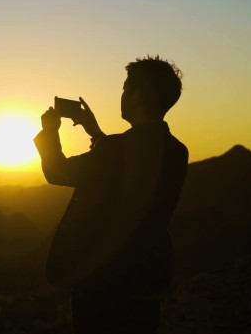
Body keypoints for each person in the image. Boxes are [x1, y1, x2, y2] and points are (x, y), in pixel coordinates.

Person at [34, 55, 188, 333]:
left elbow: (59, 172)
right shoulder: (177, 151)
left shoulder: (115, 150)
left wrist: (49, 133)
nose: (122, 94)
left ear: (137, 94)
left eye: (126, 87)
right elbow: (130, 166)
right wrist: (93, 131)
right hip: (146, 279)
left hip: (103, 283)